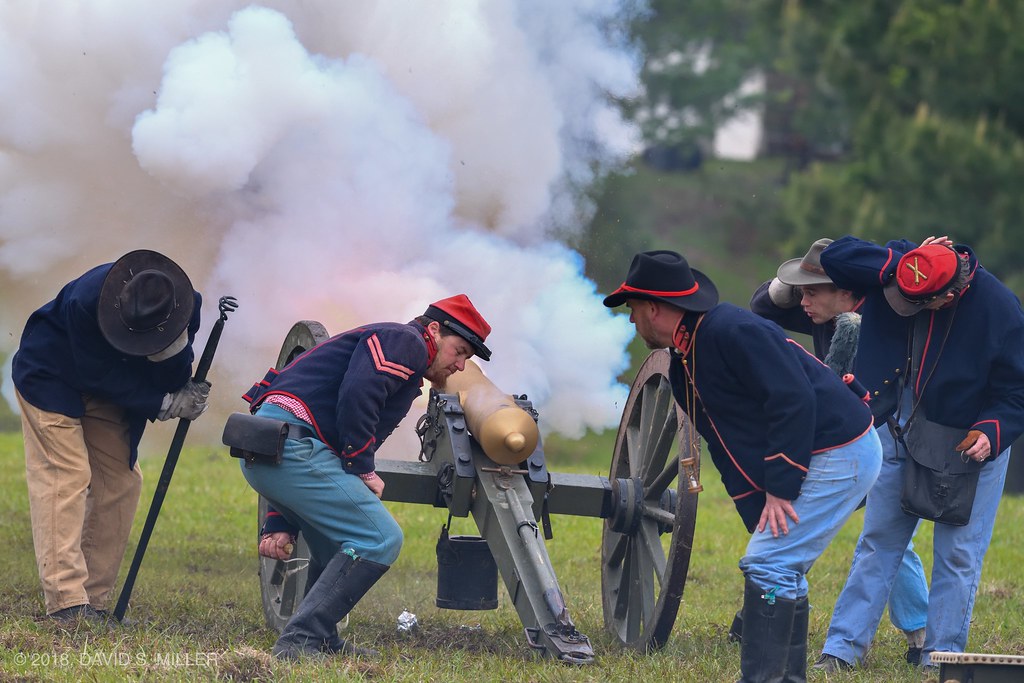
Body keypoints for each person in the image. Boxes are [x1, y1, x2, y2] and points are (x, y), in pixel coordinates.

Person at [604, 250, 882, 683]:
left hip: (840, 446)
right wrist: (759, 513)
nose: (630, 319)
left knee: (769, 563)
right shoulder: (685, 361)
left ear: (654, 307)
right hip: (828, 448)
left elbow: (793, 400)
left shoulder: (732, 331)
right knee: (778, 560)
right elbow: (724, 445)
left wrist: (781, 487)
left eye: (633, 308)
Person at [239, 293, 492, 659]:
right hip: (289, 447)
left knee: (334, 540)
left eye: (467, 357)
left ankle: (321, 635)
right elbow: (359, 392)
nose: (460, 364)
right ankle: (300, 640)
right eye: (458, 351)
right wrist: (361, 465)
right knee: (380, 538)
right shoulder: (406, 341)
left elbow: (322, 426)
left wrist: (282, 518)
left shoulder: (405, 370)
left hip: (279, 449)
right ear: (434, 330)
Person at [813, 236, 1024, 672]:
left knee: (958, 555)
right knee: (878, 542)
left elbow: (1016, 393)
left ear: (949, 296)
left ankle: (940, 659)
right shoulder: (908, 267)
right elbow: (835, 255)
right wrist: (898, 261)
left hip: (969, 439)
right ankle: (841, 650)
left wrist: (992, 432)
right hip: (898, 425)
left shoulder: (1001, 309)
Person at [751, 238, 930, 665]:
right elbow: (763, 307)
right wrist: (788, 285)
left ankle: (880, 636)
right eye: (802, 292)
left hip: (889, 425)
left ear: (848, 293)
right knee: (884, 532)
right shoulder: (823, 308)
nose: (803, 301)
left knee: (879, 532)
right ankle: (920, 627)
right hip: (852, 425)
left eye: (812, 291)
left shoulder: (879, 319)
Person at [12, 250, 207, 624]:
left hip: (107, 388)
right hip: (51, 375)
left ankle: (95, 601)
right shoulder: (87, 301)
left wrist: (180, 382)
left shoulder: (185, 304)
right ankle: (67, 602)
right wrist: (163, 402)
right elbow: (95, 373)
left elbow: (170, 373)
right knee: (65, 476)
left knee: (121, 480)